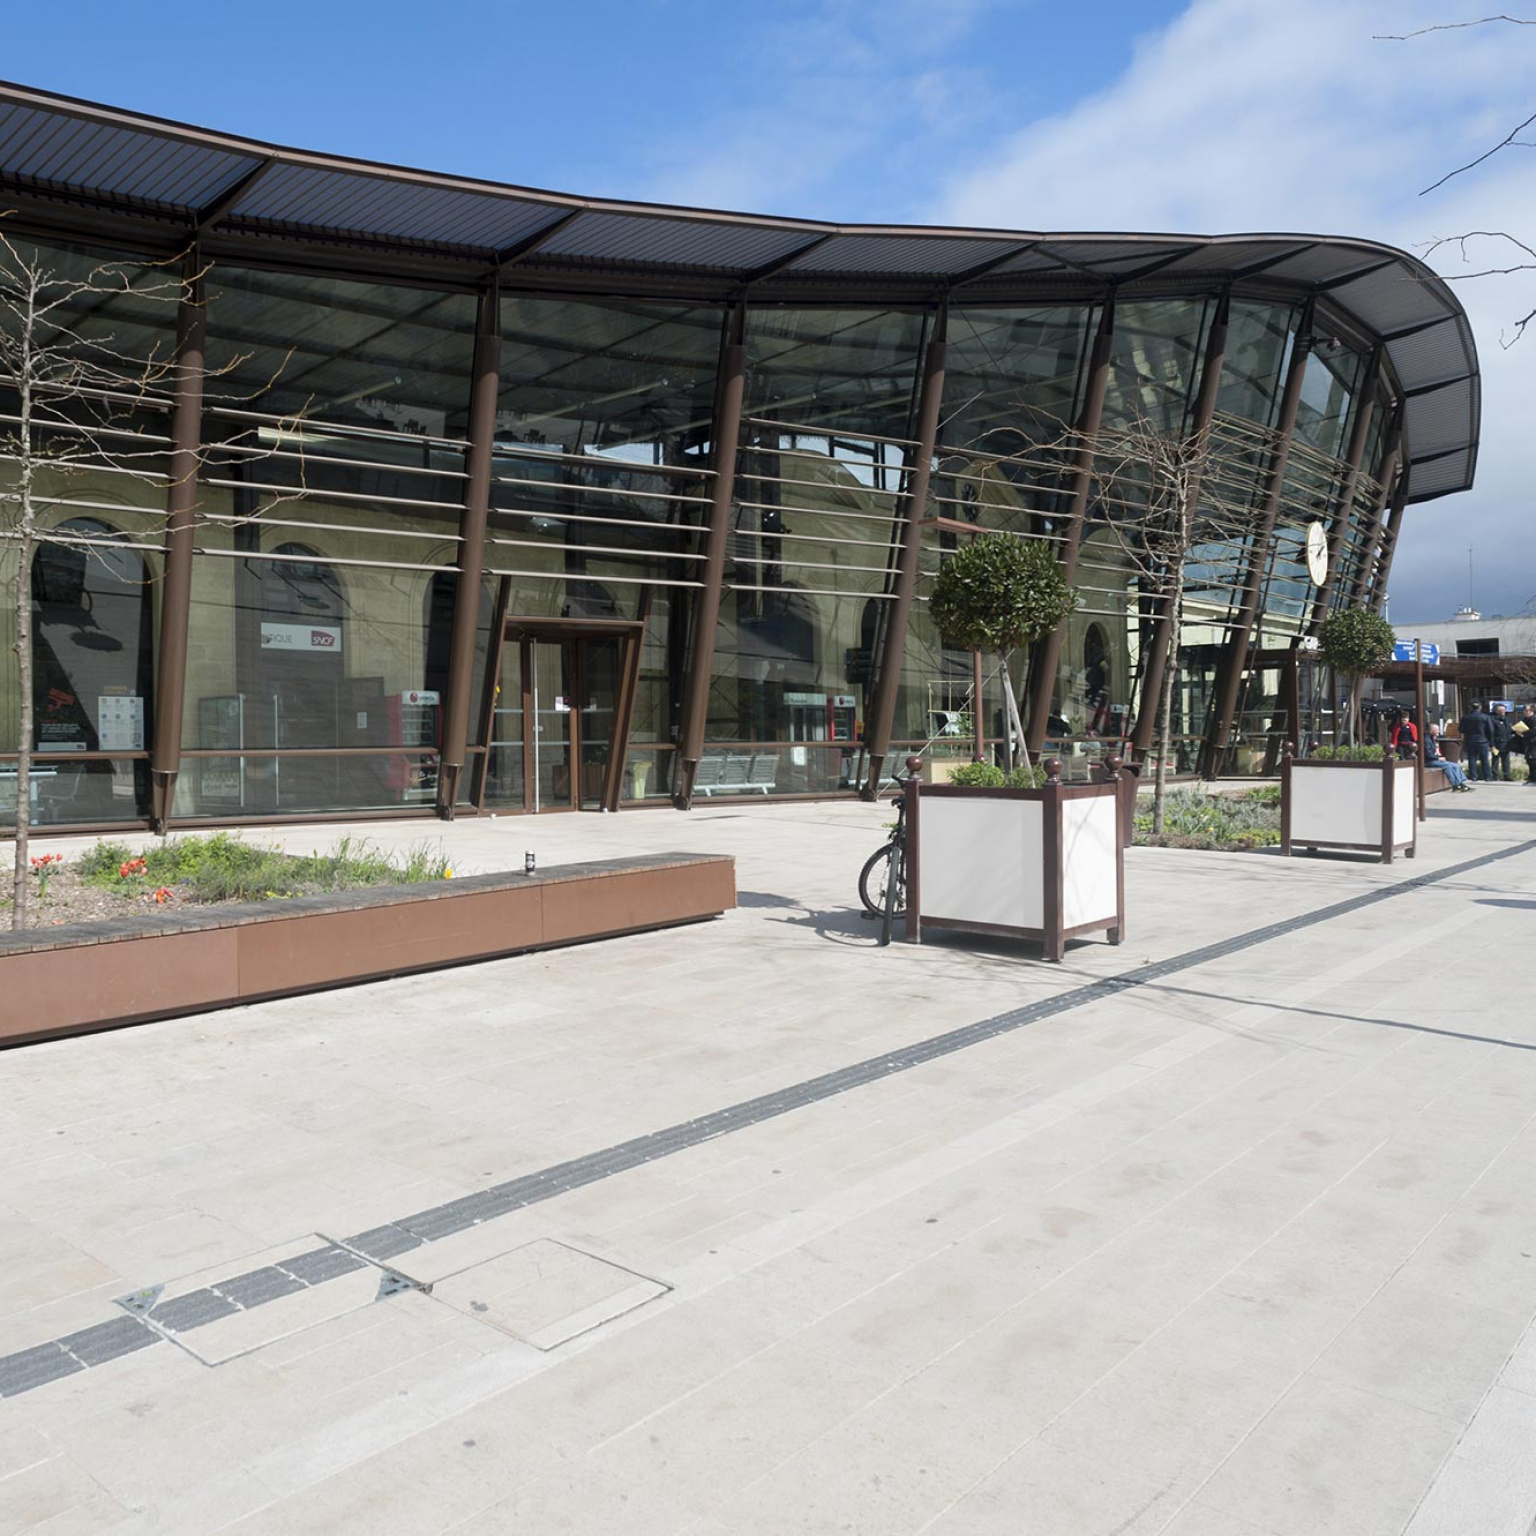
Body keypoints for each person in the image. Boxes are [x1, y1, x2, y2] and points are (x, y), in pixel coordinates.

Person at [1425, 724, 1472, 791]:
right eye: (1437, 729)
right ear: (1431, 730)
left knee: (1455, 765)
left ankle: (1460, 783)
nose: (1439, 731)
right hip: (1428, 761)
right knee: (1448, 766)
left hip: (1434, 759)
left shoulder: (1431, 738)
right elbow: (1427, 753)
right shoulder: (1426, 740)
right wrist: (1438, 758)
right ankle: (1455, 785)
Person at [1458, 700, 1494, 782]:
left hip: (1471, 740)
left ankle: (1473, 776)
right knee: (1484, 759)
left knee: (1472, 759)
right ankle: (1487, 776)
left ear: (1471, 707)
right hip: (1483, 740)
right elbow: (1490, 730)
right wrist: (1490, 740)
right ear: (1480, 707)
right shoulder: (1485, 717)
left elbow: (1461, 729)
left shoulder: (1466, 717)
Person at [1491, 704, 1515, 781]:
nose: (1503, 712)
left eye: (1504, 710)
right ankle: (1495, 776)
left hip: (1506, 743)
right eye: (1501, 710)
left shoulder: (1507, 719)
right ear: (1496, 711)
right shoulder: (1492, 720)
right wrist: (1492, 745)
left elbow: (1510, 729)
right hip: (1496, 743)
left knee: (1506, 761)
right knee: (1495, 760)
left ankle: (1507, 776)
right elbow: (1490, 733)